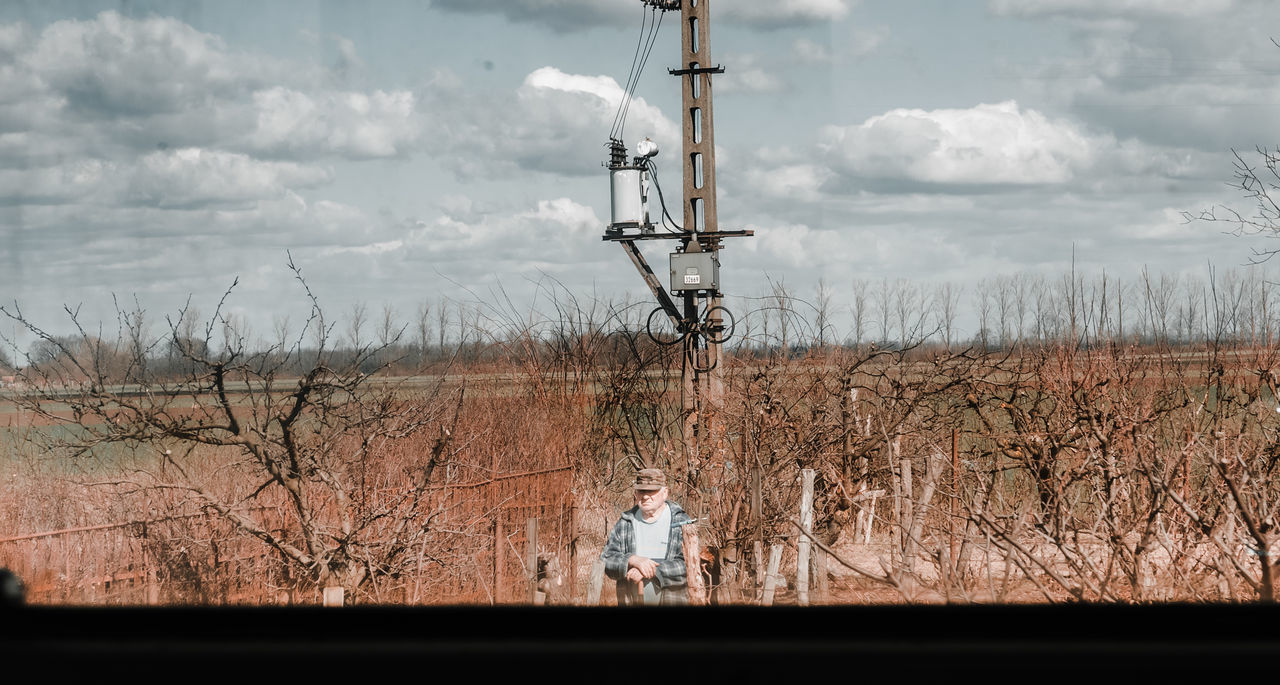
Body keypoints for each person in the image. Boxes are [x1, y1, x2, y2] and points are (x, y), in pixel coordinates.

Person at [600, 467, 693, 606]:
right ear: (636, 493)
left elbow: (688, 565)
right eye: (641, 491)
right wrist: (632, 560)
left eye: (652, 491)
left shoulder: (681, 521)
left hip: (673, 600)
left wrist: (650, 569)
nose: (645, 496)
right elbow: (606, 560)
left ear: (665, 492)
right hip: (630, 600)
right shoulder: (625, 521)